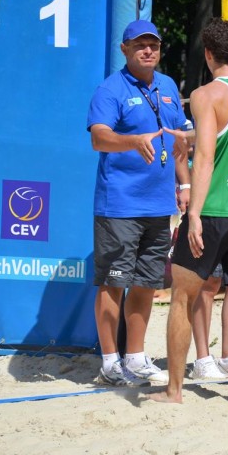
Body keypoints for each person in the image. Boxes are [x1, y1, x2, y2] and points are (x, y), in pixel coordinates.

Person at [151, 18, 228, 409]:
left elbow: (206, 157)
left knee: (182, 298)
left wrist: (194, 215)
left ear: (208, 54)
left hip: (218, 209)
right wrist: (191, 135)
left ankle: (174, 391)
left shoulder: (206, 95)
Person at [86, 20, 191, 386]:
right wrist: (133, 141)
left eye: (154, 46)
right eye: (140, 45)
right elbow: (99, 138)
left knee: (146, 284)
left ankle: (135, 357)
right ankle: (110, 362)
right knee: (114, 282)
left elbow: (178, 142)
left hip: (159, 205)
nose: (148, 51)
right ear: (125, 49)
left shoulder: (167, 87)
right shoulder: (110, 89)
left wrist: (186, 183)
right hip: (120, 205)